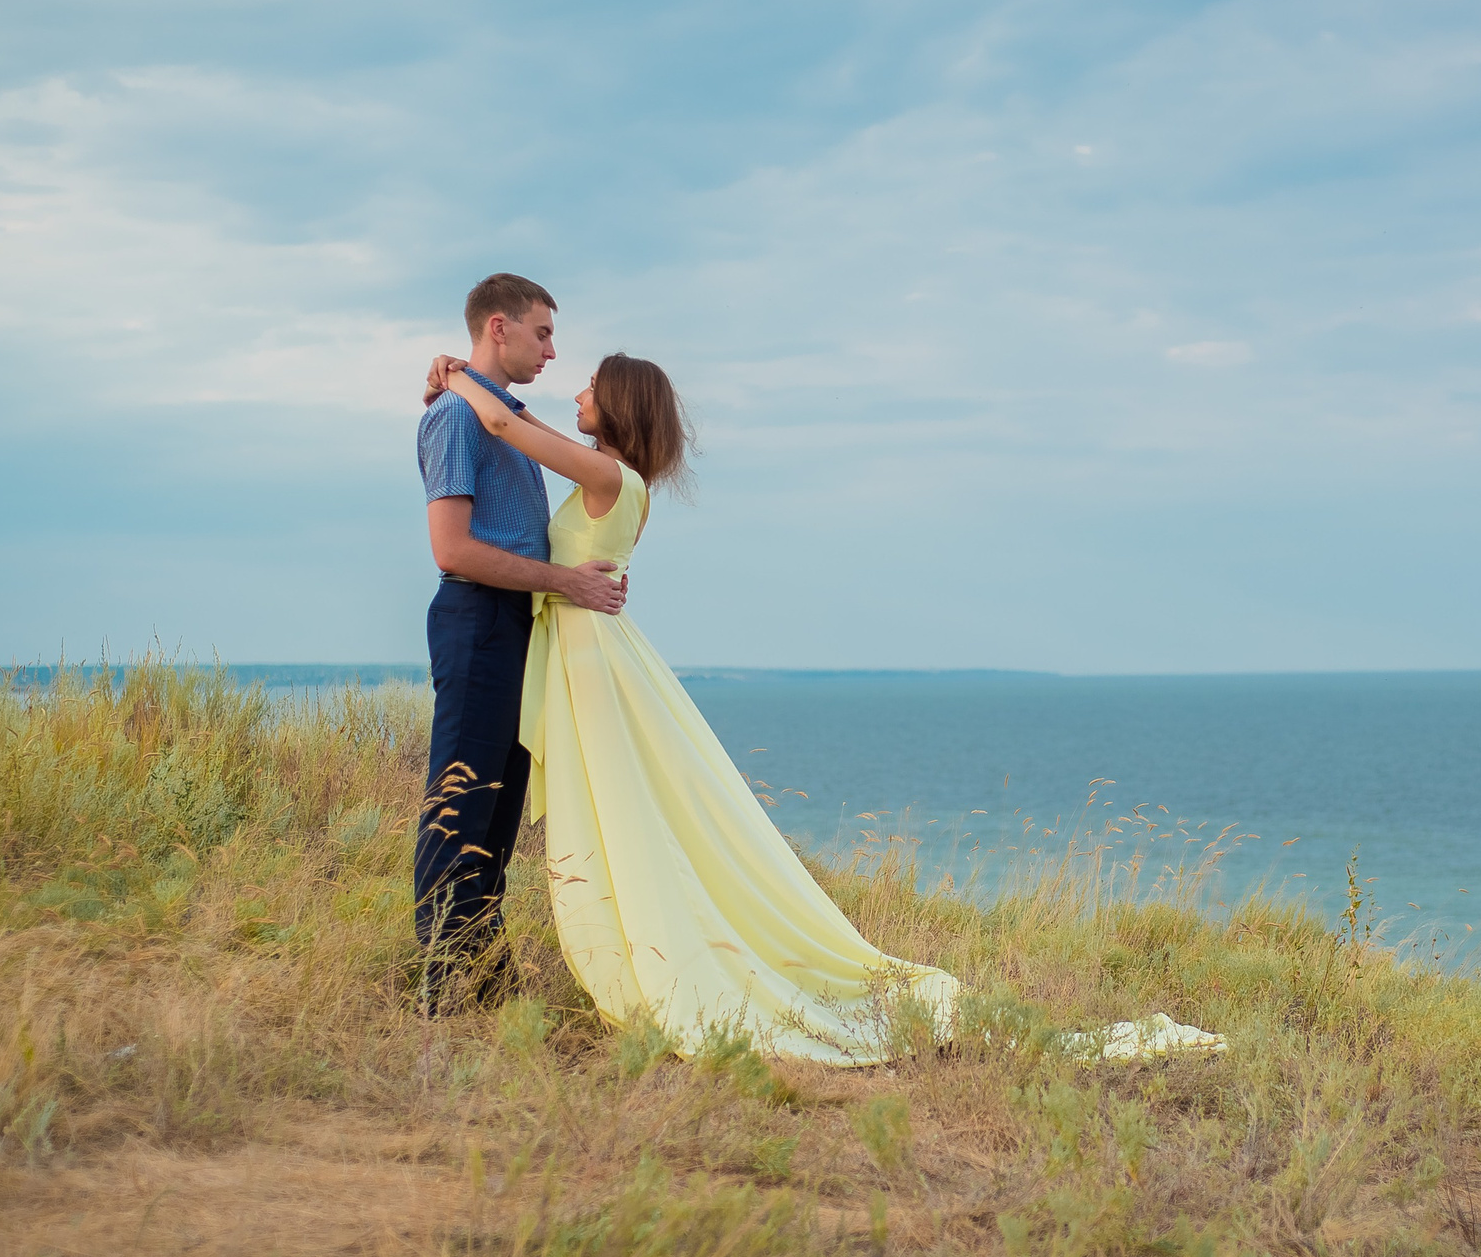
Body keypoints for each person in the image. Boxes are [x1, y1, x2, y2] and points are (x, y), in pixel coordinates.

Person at [418, 343, 1224, 1065]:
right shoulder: (616, 476)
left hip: (591, 654)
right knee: (630, 811)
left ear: (620, 404)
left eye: (591, 383)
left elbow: (500, 425)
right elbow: (508, 421)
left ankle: (649, 955)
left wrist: (455, 374)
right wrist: (468, 379)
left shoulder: (606, 475)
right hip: (585, 648)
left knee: (627, 813)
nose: (577, 387)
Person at [414, 273, 625, 1012]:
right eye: (542, 332)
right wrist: (562, 579)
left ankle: (487, 981)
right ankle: (442, 992)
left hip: (516, 625)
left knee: (497, 815)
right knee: (460, 801)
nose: (552, 348)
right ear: (498, 327)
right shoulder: (457, 419)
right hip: (477, 618)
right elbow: (453, 550)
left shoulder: (501, 411)